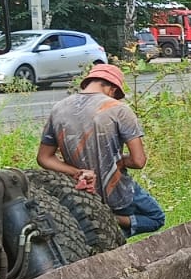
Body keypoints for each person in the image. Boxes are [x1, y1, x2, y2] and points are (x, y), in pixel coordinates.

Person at [36, 63, 165, 234]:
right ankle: (109, 218)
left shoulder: (58, 109)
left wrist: (76, 171)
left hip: (82, 191)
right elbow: (138, 160)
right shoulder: (118, 109)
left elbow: (44, 158)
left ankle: (102, 224)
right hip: (117, 191)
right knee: (155, 217)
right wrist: (117, 160)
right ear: (112, 88)